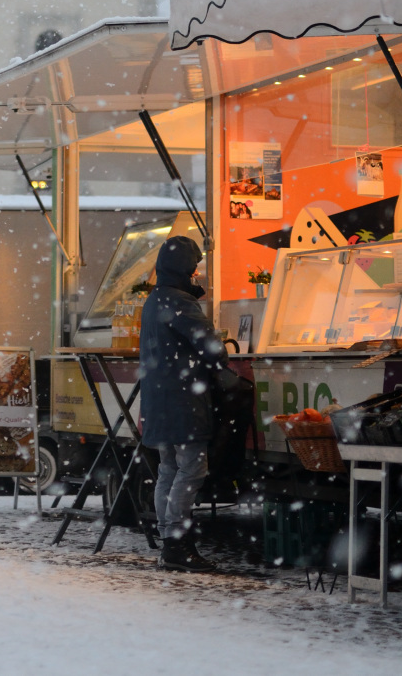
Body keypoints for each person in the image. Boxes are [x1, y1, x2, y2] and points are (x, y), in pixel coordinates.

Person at [138, 236, 226, 571]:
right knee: (192, 468)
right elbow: (212, 348)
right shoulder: (180, 302)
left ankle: (168, 540)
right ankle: (177, 543)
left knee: (168, 469)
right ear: (186, 268)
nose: (197, 272)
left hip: (159, 399)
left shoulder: (154, 299)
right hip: (184, 399)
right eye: (195, 266)